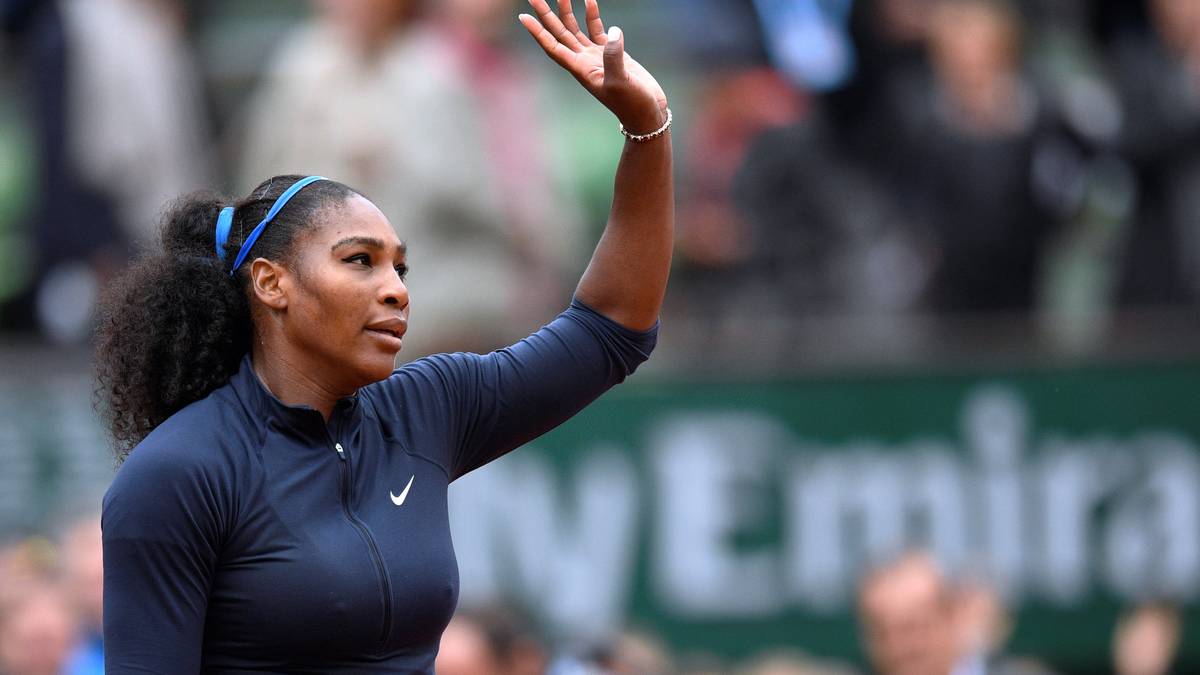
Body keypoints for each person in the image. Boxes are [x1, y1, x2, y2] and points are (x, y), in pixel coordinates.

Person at [95, 0, 673, 671]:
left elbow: (612, 329)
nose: (395, 288)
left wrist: (647, 128)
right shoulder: (177, 474)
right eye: (360, 261)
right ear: (271, 282)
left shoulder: (428, 408)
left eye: (400, 266)